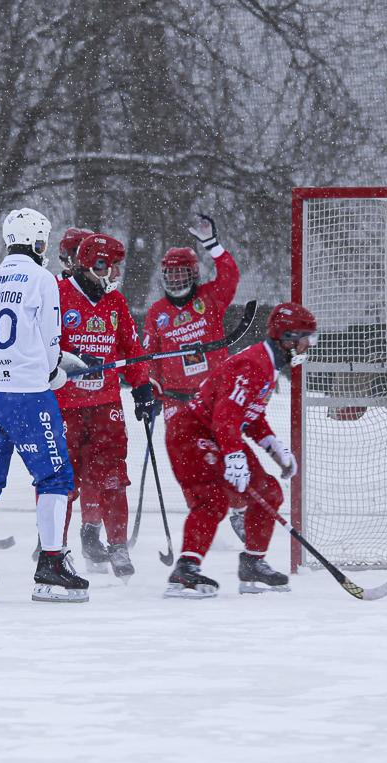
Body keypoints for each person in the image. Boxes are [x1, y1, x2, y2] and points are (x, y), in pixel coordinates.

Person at [0, 207, 86, 603]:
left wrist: (54, 362)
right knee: (55, 478)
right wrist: (57, 372)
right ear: (38, 242)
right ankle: (51, 564)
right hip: (25, 396)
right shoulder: (43, 278)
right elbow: (48, 341)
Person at [162, 302, 317, 598]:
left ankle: (253, 564)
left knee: (269, 491)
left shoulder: (269, 365)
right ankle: (185, 571)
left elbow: (250, 414)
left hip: (219, 432)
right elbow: (226, 415)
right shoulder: (254, 364)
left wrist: (273, 447)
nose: (309, 344)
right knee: (213, 499)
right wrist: (233, 455)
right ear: (287, 337)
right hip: (192, 432)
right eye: (305, 337)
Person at [54, 232, 159, 578]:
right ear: (94, 265)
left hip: (106, 404)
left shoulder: (117, 303)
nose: (116, 273)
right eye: (111, 266)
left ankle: (116, 546)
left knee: (112, 475)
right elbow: (42, 346)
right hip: (65, 404)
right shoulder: (58, 296)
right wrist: (68, 357)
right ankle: (55, 548)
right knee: (62, 481)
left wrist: (142, 386)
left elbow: (131, 348)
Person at [142, 213, 248, 541]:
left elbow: (231, 275)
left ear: (193, 273)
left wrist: (211, 244)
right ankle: (201, 509)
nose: (174, 280)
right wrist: (152, 387)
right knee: (189, 462)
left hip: (214, 396)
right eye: (169, 274)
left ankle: (240, 509)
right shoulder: (157, 312)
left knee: (227, 453)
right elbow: (151, 360)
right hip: (176, 400)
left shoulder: (210, 298)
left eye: (180, 273)